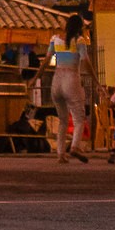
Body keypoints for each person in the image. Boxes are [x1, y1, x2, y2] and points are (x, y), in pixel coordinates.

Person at [48, 12, 90, 164]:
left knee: (62, 120)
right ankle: (74, 147)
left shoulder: (55, 39)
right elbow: (86, 62)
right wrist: (95, 80)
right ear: (79, 27)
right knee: (79, 118)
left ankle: (60, 154)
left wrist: (35, 78)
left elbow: (46, 60)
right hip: (71, 79)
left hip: (56, 80)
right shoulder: (80, 41)